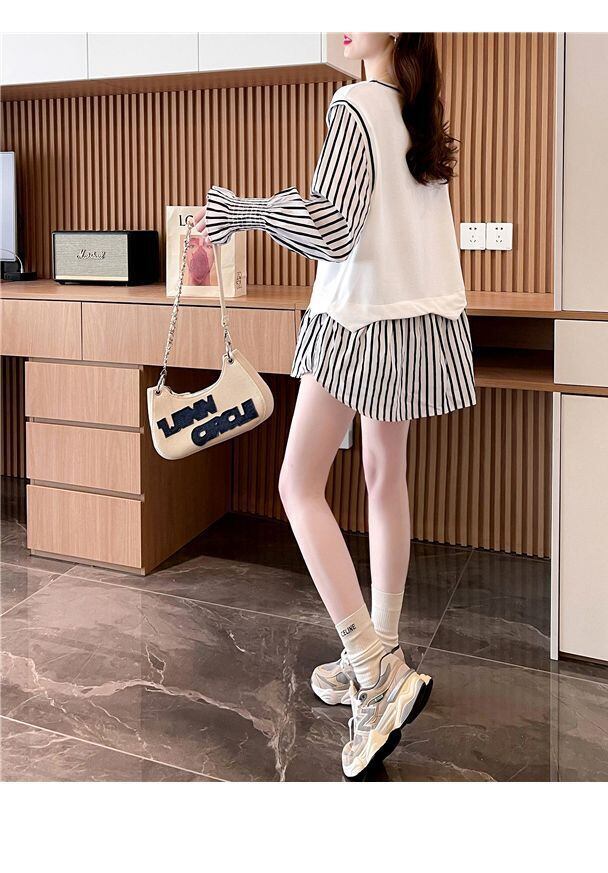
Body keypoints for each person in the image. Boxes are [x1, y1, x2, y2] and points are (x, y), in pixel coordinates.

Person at [194, 32, 476, 780]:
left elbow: (333, 228)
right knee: (385, 476)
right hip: (415, 318)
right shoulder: (418, 114)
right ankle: (380, 653)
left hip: (355, 319)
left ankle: (372, 669)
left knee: (297, 484)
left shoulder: (355, 104)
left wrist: (243, 210)